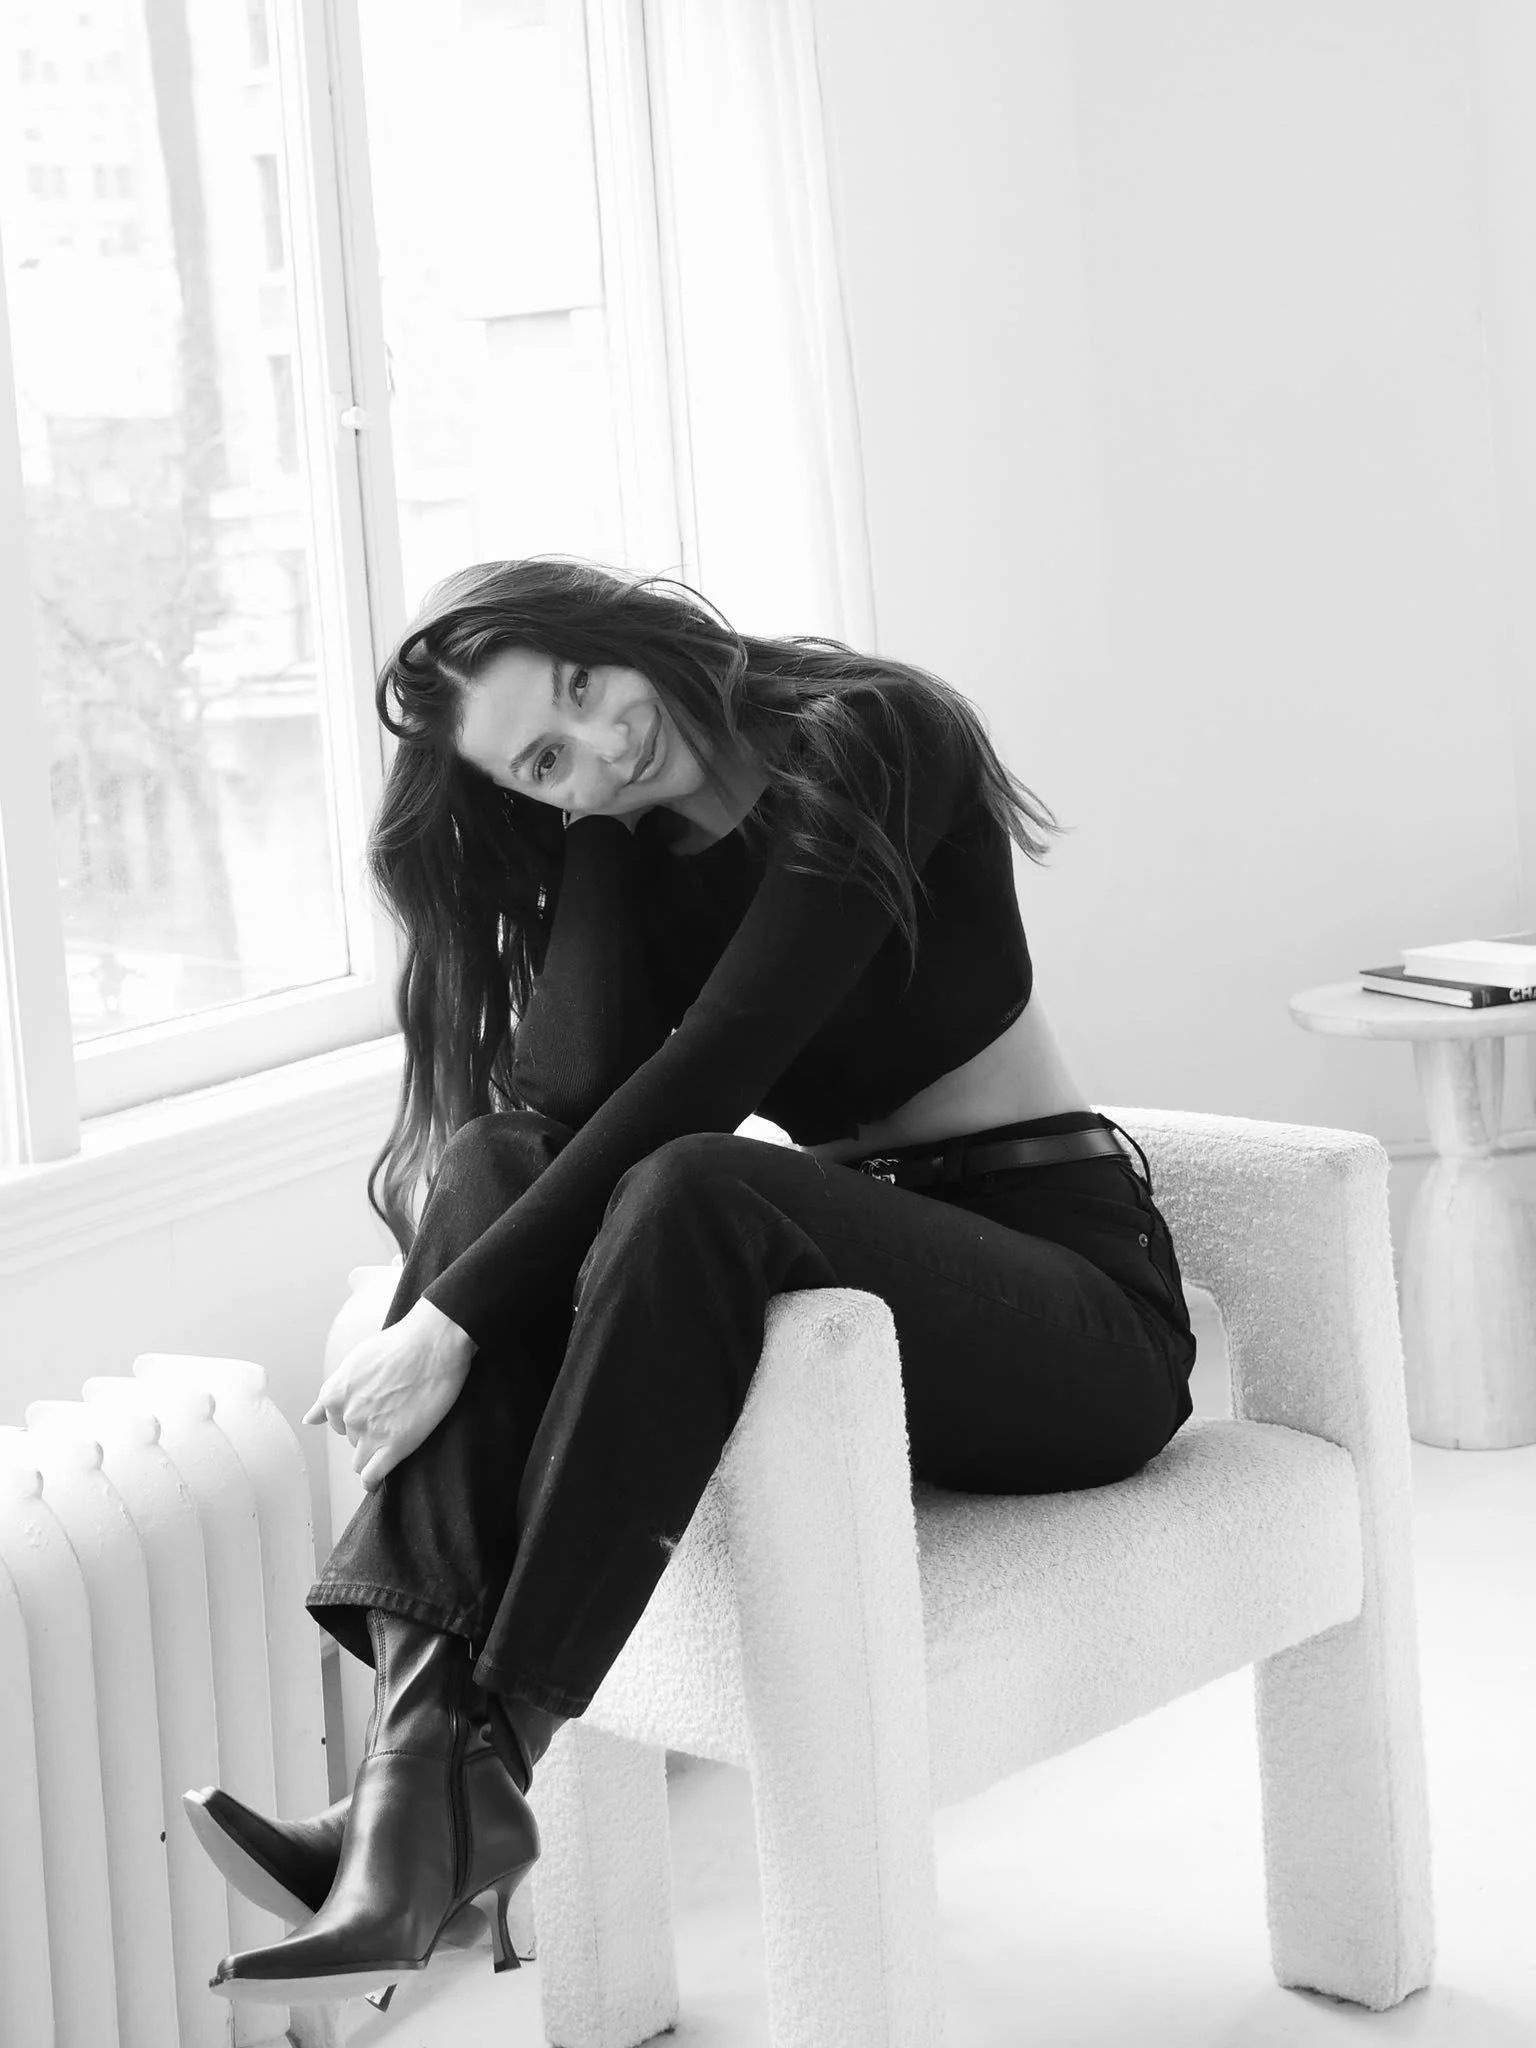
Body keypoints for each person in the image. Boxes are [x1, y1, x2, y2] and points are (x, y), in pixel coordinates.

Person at [191, 556, 1198, 2007]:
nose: (602, 744)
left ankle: (474, 1774)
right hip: (874, 1325)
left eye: (584, 686)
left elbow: (718, 1065)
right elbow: (566, 1101)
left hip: (1072, 1312)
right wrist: (597, 838)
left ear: (621, 628)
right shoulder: (634, 844)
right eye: (545, 760)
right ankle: (419, 1777)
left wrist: (450, 1320)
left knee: (694, 1179)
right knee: (492, 1160)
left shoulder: (875, 736)